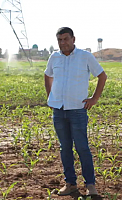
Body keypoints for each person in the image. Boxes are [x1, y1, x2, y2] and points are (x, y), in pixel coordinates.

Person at [44, 27, 107, 196]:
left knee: (82, 147)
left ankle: (90, 184)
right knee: (65, 148)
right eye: (59, 40)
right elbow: (47, 75)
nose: (62, 43)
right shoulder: (54, 57)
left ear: (73, 39)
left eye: (65, 39)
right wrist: (50, 97)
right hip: (59, 111)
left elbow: (102, 76)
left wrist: (94, 99)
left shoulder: (85, 57)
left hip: (78, 110)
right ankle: (70, 183)